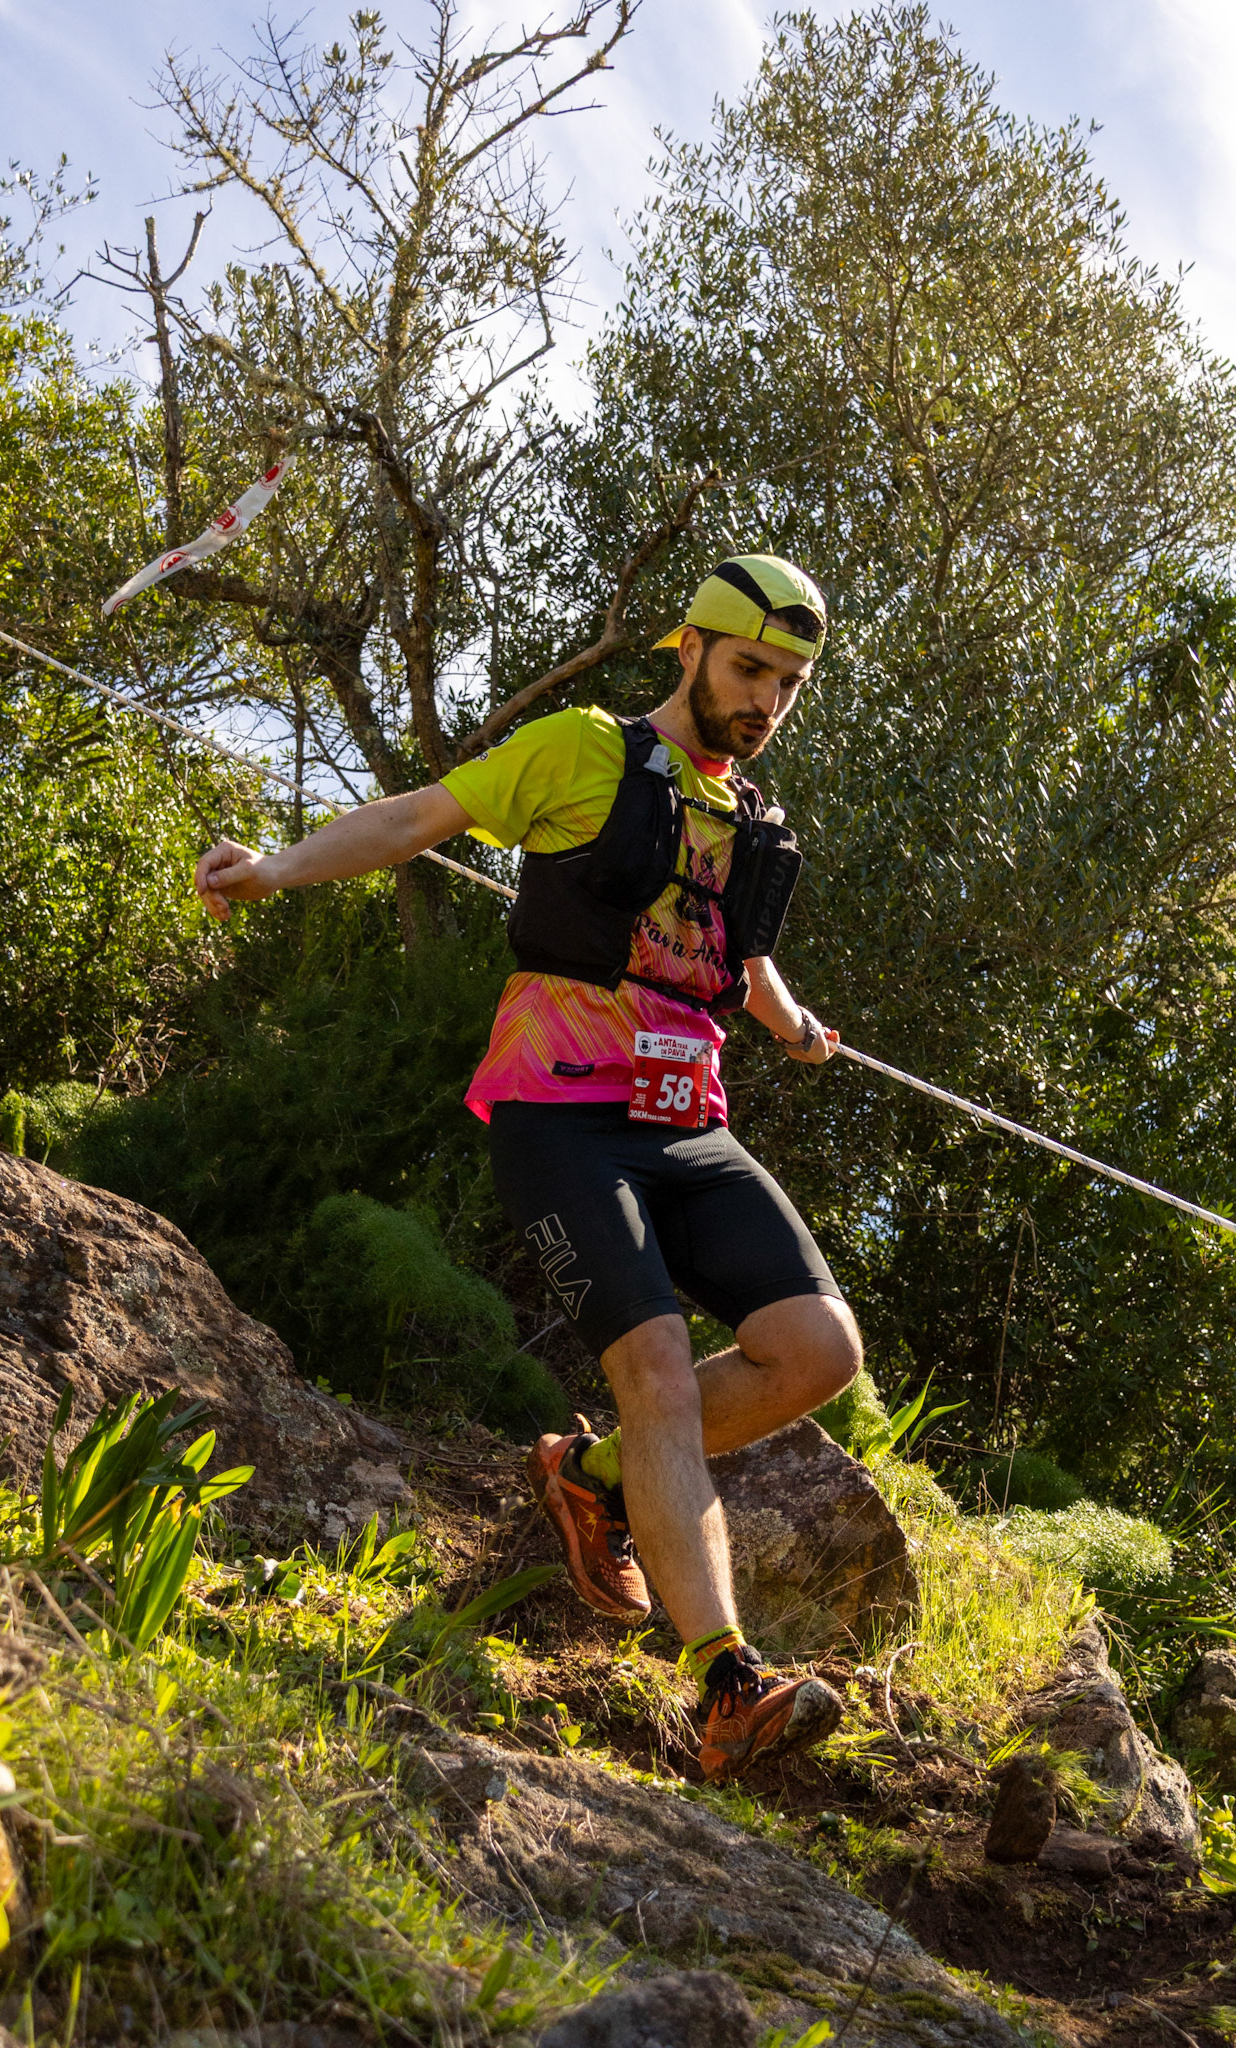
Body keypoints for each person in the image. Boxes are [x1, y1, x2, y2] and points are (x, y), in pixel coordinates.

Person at [195, 553, 863, 1782]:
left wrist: (793, 1024)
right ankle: (728, 1682)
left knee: (819, 1348)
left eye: (788, 682)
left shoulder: (748, 815)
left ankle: (591, 1476)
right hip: (559, 1112)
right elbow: (417, 817)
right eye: (748, 668)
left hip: (686, 1121)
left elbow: (737, 956)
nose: (766, 698)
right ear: (690, 649)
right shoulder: (580, 749)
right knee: (656, 1372)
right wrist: (276, 865)